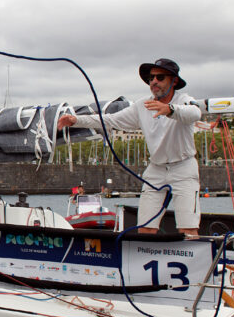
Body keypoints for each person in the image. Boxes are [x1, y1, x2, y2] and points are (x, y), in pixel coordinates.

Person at [57, 58, 203, 236]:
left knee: (188, 228)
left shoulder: (185, 100)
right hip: (156, 169)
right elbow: (111, 120)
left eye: (160, 77)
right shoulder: (142, 105)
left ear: (174, 81)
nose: (154, 82)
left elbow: (195, 113)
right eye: (151, 78)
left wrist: (170, 110)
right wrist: (77, 120)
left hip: (183, 167)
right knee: (146, 228)